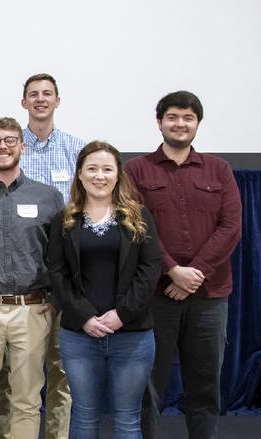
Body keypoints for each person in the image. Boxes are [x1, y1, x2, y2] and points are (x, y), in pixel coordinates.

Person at [126, 91, 242, 439]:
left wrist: (195, 274)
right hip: (156, 296)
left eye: (188, 118)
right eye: (173, 117)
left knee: (205, 385)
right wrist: (172, 270)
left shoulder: (219, 169)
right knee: (148, 386)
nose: (180, 124)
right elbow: (134, 225)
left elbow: (231, 226)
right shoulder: (136, 170)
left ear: (197, 124)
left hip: (210, 295)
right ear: (160, 122)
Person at [0, 73, 82, 439]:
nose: (40, 99)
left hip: (64, 281)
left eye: (47, 94)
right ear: (23, 102)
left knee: (61, 375)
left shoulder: (77, 150)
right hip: (20, 289)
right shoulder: (6, 149)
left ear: (58, 101)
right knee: (13, 378)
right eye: (33, 95)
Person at [48, 141, 162, 438]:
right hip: (79, 336)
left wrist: (121, 314)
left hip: (132, 335)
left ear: (117, 175)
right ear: (80, 175)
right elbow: (57, 274)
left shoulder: (138, 217)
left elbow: (150, 270)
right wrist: (85, 316)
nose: (100, 176)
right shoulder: (64, 219)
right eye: (92, 169)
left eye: (107, 169)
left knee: (127, 419)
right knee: (84, 417)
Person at [0, 117, 63, 439]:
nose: (2, 146)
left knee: (27, 400)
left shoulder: (48, 197)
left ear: (22, 145)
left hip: (33, 309)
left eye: (9, 140)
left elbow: (58, 257)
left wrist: (55, 299)